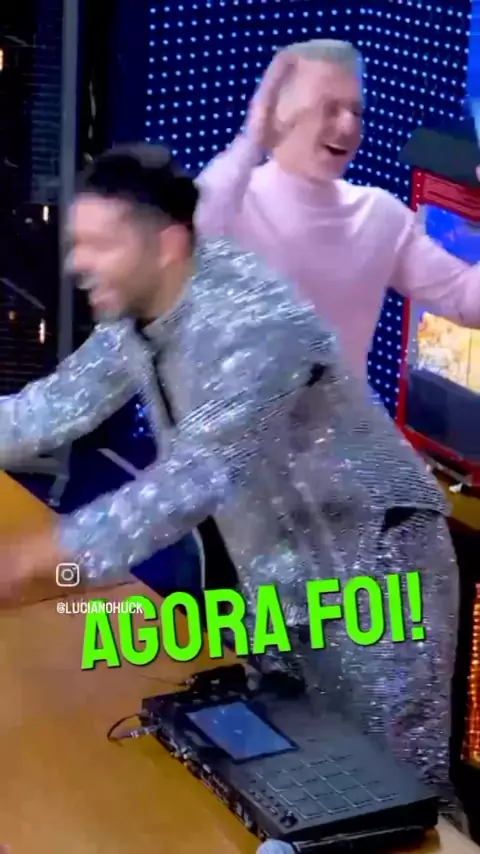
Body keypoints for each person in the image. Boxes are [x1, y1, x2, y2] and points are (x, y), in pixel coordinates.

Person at [0, 144, 457, 795]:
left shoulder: (252, 324)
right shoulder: (141, 311)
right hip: (282, 574)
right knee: (299, 778)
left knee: (399, 797)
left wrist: (31, 565)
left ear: (165, 244)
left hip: (380, 572)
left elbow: (187, 485)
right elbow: (50, 408)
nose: (78, 264)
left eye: (100, 245)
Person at [196, 39, 480, 381]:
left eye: (356, 112)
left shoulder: (379, 215)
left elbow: (467, 301)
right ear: (281, 115)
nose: (348, 127)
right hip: (239, 415)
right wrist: (250, 143)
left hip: (348, 415)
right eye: (329, 109)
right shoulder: (234, 202)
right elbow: (189, 236)